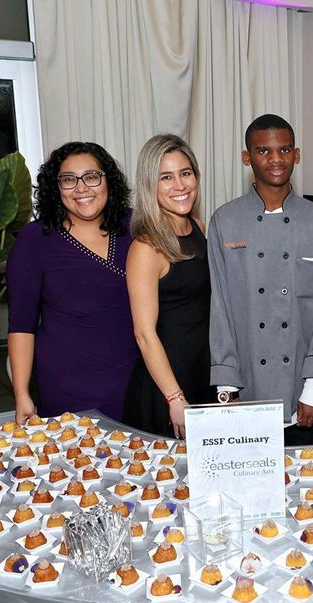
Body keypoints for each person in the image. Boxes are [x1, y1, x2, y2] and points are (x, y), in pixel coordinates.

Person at [207, 115, 313, 445]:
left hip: (301, 389)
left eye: (284, 150)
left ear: (297, 154)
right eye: (263, 151)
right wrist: (227, 389)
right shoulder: (225, 220)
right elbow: (220, 308)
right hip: (246, 386)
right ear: (247, 157)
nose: (276, 159)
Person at [7, 142, 138, 422]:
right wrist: (21, 393)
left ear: (108, 181)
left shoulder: (136, 227)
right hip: (66, 389)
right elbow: (21, 326)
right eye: (68, 180)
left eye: (91, 176)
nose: (81, 188)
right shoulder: (35, 239)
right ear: (56, 188)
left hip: (136, 381)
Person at [121, 135, 214, 438]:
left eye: (185, 173)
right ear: (150, 185)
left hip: (202, 372)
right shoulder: (146, 247)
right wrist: (174, 398)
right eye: (166, 177)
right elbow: (144, 334)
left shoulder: (198, 227)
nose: (180, 185)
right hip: (168, 384)